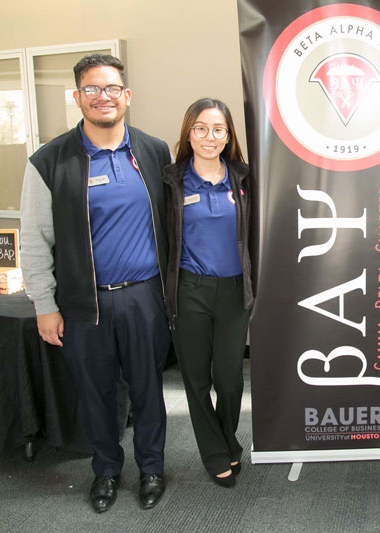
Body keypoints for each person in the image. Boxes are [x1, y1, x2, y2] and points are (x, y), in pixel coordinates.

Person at [20, 54, 171, 513]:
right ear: (77, 97)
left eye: (111, 88)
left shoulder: (153, 151)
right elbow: (32, 240)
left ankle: (151, 467)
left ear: (126, 96)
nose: (102, 97)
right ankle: (106, 470)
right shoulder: (49, 162)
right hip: (86, 305)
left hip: (146, 297)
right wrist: (44, 303)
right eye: (92, 89)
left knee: (148, 391)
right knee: (96, 394)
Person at [162, 98, 253, 488]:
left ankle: (227, 438)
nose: (209, 136)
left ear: (228, 135)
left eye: (218, 129)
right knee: (197, 380)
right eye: (201, 128)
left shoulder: (245, 180)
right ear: (188, 132)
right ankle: (216, 452)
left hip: (234, 292)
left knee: (230, 380)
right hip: (189, 291)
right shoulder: (171, 181)